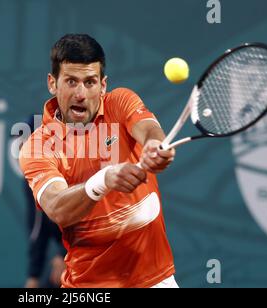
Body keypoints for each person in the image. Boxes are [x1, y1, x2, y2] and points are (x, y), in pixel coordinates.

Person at [19, 34, 178, 288]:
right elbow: (57, 208)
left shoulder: (120, 102)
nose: (81, 94)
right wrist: (103, 180)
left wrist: (154, 147)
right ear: (52, 83)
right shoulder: (37, 146)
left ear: (103, 86)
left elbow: (148, 130)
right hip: (88, 286)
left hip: (154, 280)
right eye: (71, 81)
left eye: (90, 82)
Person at [23, 115, 66, 288]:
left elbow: (90, 220)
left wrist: (65, 255)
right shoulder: (32, 174)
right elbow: (39, 228)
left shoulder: (71, 168)